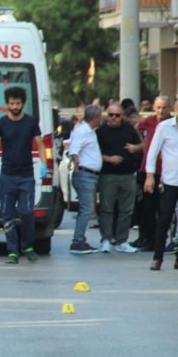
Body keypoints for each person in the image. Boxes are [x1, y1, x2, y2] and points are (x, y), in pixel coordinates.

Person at [0, 87, 47, 264]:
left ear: (23, 104)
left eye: (18, 103)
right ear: (7, 103)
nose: (15, 106)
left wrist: (44, 164)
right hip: (7, 176)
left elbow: (40, 145)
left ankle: (27, 246)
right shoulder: (0, 124)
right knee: (7, 215)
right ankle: (12, 251)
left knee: (26, 212)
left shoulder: (31, 122)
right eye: (12, 103)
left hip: (26, 177)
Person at [96, 102, 143, 253]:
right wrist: (109, 159)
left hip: (128, 175)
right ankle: (106, 240)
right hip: (108, 175)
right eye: (111, 115)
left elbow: (143, 144)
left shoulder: (129, 129)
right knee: (106, 209)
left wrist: (135, 148)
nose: (114, 118)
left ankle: (122, 241)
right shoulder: (100, 132)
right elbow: (93, 153)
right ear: (107, 115)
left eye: (117, 115)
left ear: (122, 116)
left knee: (126, 211)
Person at [132, 95, 172, 250]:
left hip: (166, 171)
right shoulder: (148, 121)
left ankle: (162, 241)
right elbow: (136, 128)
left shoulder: (172, 123)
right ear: (154, 108)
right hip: (148, 170)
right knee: (147, 207)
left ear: (169, 108)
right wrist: (142, 144)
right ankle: (148, 239)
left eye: (164, 107)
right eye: (158, 107)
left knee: (164, 209)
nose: (161, 111)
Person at [144, 107, 178, 270]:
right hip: (170, 180)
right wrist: (150, 176)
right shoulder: (165, 127)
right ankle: (158, 257)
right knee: (164, 219)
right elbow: (152, 152)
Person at [68, 104, 104, 254]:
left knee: (86, 208)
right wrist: (76, 164)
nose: (101, 119)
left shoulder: (89, 131)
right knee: (86, 209)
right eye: (100, 116)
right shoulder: (82, 131)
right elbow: (74, 150)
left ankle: (80, 240)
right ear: (95, 117)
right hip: (85, 174)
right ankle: (77, 241)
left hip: (89, 175)